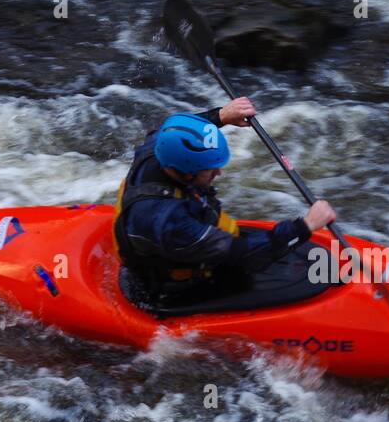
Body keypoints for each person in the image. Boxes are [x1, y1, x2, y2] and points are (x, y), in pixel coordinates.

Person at [113, 97, 336, 307]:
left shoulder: (157, 149)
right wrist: (305, 226)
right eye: (210, 168)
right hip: (171, 290)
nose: (218, 172)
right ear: (186, 171)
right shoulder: (170, 221)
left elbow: (171, 129)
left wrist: (220, 116)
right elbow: (243, 255)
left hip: (175, 243)